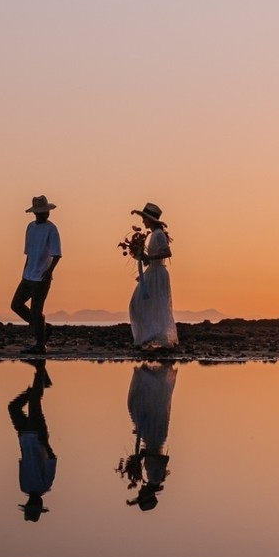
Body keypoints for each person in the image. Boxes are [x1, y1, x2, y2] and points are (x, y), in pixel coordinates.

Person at [118, 362, 175, 511]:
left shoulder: (154, 479)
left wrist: (140, 456)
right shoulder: (155, 478)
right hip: (154, 437)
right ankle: (151, 377)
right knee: (149, 406)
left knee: (144, 406)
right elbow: (159, 457)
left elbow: (155, 457)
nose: (140, 491)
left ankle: (151, 376)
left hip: (152, 439)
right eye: (141, 494)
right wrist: (141, 457)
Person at [12, 195, 62, 354]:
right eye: (42, 212)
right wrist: (24, 270)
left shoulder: (51, 229)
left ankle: (40, 345)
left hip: (41, 276)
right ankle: (43, 329)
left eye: (45, 211)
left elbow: (57, 254)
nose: (45, 214)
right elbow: (28, 252)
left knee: (36, 310)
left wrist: (48, 272)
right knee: (16, 305)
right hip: (28, 274)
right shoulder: (31, 227)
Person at [10, 360, 57, 521]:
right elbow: (51, 459)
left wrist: (22, 439)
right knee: (34, 403)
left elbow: (24, 460)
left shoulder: (24, 486)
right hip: (36, 437)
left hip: (24, 437)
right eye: (33, 504)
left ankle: (40, 383)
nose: (32, 500)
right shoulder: (45, 484)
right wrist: (44, 441)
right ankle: (39, 368)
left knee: (13, 407)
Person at [127, 202, 177, 349]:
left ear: (150, 220)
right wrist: (142, 255)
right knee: (139, 303)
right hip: (153, 272)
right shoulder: (154, 235)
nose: (143, 221)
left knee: (155, 304)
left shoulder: (159, 234)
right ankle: (149, 335)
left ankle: (154, 336)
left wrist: (150, 258)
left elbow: (167, 253)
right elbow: (153, 257)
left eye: (144, 218)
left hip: (158, 273)